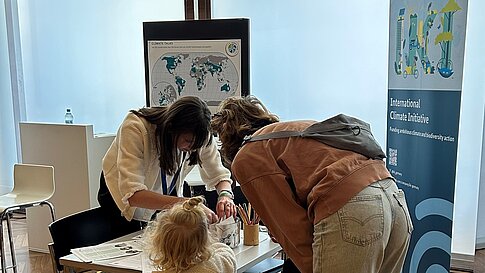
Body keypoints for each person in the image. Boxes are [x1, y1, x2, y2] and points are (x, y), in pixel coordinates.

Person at [211, 96, 413, 273]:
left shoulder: (248, 155)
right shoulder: (291, 131)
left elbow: (294, 231)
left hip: (354, 208)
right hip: (392, 197)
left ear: (226, 134)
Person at [98, 96, 237, 229]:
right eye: (188, 141)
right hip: (120, 196)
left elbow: (219, 174)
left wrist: (225, 195)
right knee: (132, 241)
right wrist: (189, 204)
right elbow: (133, 195)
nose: (192, 148)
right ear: (172, 127)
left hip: (161, 192)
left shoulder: (199, 133)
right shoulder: (135, 127)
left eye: (196, 145)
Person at [143, 196, 237, 273]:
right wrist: (211, 242)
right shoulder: (212, 266)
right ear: (204, 241)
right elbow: (227, 254)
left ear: (159, 243)